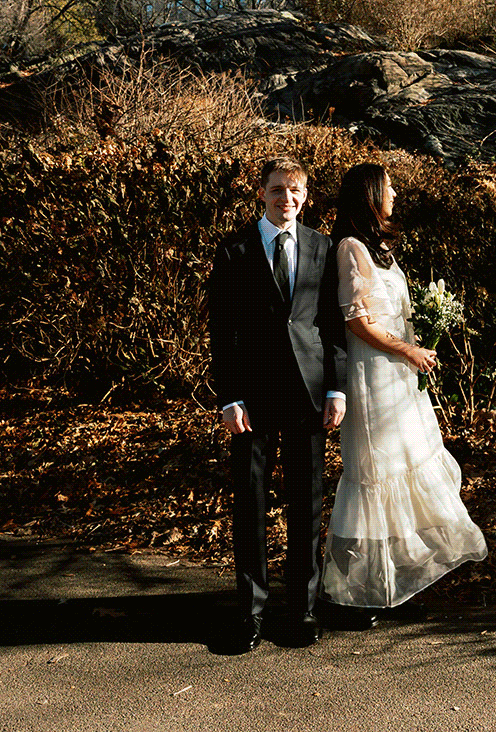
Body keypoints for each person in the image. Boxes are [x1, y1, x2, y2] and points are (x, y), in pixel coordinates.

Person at [322, 163, 487, 621]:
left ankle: (394, 586)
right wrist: (407, 350)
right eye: (389, 185)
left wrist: (417, 347)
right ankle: (353, 595)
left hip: (398, 379)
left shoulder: (382, 250)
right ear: (371, 195)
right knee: (374, 476)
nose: (395, 192)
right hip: (373, 378)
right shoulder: (351, 248)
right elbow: (357, 321)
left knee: (405, 466)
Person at [208, 156, 347, 652]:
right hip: (253, 397)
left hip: (309, 393)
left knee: (307, 507)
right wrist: (228, 398)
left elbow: (331, 324)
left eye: (294, 191)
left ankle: (303, 610)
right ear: (261, 194)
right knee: (250, 503)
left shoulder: (323, 248)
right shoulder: (234, 250)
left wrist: (337, 389)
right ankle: (249, 612)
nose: (285, 199)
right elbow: (222, 332)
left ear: (304, 196)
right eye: (276, 190)